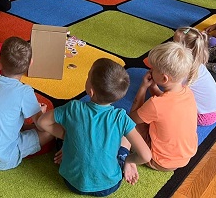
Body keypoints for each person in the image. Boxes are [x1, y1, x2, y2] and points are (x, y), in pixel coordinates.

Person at [37, 59, 152, 195]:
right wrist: (129, 160)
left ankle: (70, 145)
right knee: (126, 137)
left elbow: (42, 122)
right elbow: (146, 156)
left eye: (88, 76)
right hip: (108, 187)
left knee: (64, 132)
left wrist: (70, 138)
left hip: (72, 182)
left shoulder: (73, 107)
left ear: (91, 92)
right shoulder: (121, 117)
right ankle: (124, 159)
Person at [0, 37, 54, 170]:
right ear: (30, 63)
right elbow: (42, 126)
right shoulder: (24, 92)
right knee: (50, 131)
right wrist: (41, 112)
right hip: (2, 158)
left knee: (9, 117)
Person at [127, 42, 198, 175]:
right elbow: (167, 105)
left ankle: (126, 157)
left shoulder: (155, 104)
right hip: (185, 157)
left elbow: (132, 119)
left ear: (164, 78)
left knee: (127, 125)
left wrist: (143, 88)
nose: (150, 70)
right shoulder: (188, 92)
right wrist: (153, 87)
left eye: (153, 69)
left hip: (160, 161)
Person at [174, 27, 216, 126]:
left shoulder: (184, 69)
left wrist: (154, 88)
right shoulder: (197, 62)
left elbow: (173, 93)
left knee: (168, 108)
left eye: (174, 43)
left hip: (204, 116)